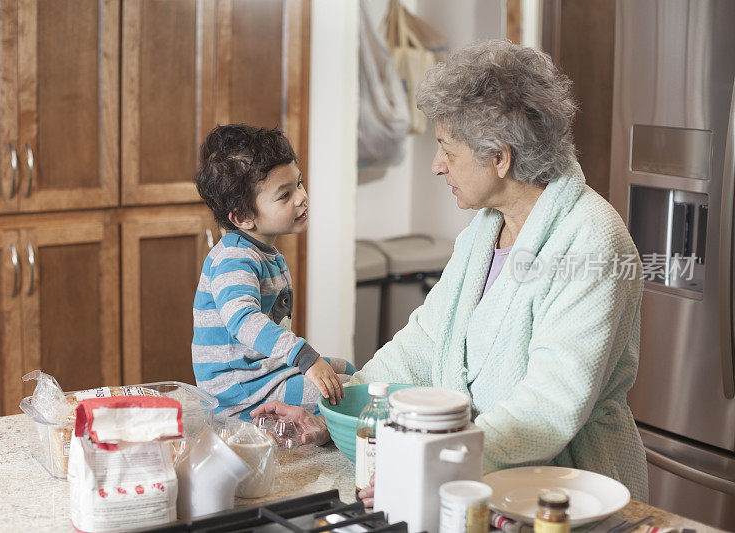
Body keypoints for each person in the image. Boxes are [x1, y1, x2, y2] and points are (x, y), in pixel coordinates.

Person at [253, 40, 648, 502]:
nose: (438, 166)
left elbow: (548, 407)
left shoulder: (592, 242)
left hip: (564, 495)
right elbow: (425, 342)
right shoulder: (484, 230)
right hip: (470, 482)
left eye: (446, 149)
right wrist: (340, 411)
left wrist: (432, 461)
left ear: (500, 157)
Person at [192, 124, 355, 419]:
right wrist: (305, 357)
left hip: (264, 373)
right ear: (243, 217)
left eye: (299, 184)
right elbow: (243, 319)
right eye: (284, 195)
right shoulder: (234, 258)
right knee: (343, 392)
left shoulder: (262, 251)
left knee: (347, 371)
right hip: (241, 390)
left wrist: (308, 361)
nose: (301, 197)